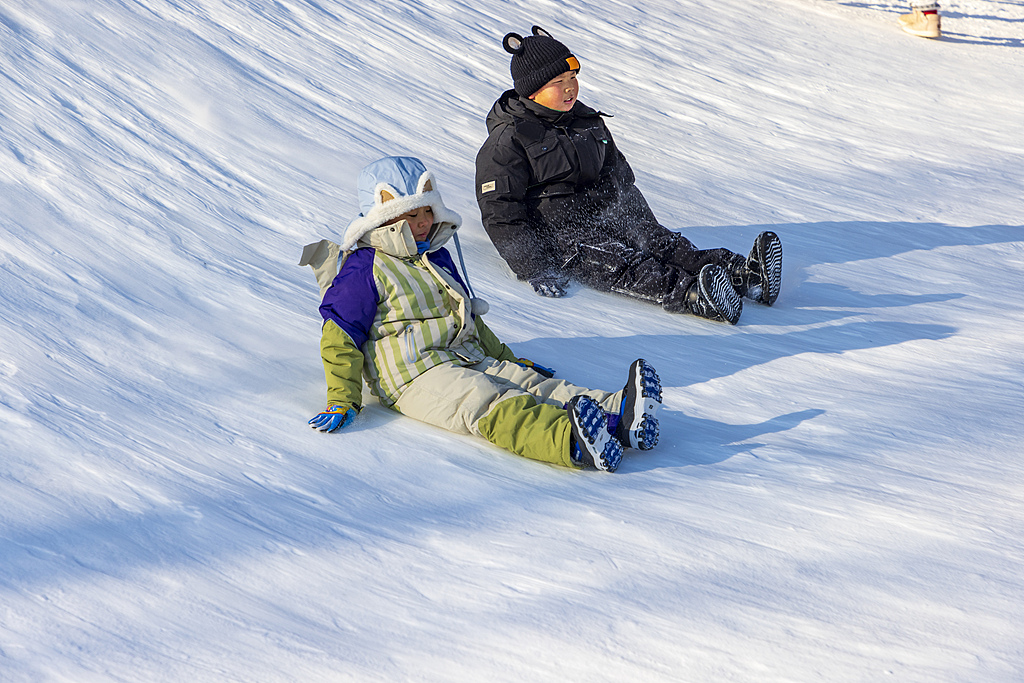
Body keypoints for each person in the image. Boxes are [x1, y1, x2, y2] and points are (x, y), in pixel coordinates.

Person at [304, 156, 663, 472]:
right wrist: (341, 399)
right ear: (383, 218)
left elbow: (467, 317)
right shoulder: (365, 267)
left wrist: (509, 359)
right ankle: (569, 440)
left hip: (463, 354)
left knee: (527, 383)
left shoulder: (434, 255)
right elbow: (340, 336)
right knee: (487, 401)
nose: (423, 222)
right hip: (414, 377)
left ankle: (618, 416)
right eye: (410, 215)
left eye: (427, 210)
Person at [474, 27, 784, 325]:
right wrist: (534, 268)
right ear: (533, 90)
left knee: (662, 243)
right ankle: (693, 294)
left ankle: (742, 276)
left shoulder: (586, 121)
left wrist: (644, 224)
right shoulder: (509, 140)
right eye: (558, 81)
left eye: (573, 77)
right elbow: (499, 211)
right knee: (620, 262)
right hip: (560, 235)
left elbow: (619, 177)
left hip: (605, 214)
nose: (570, 87)